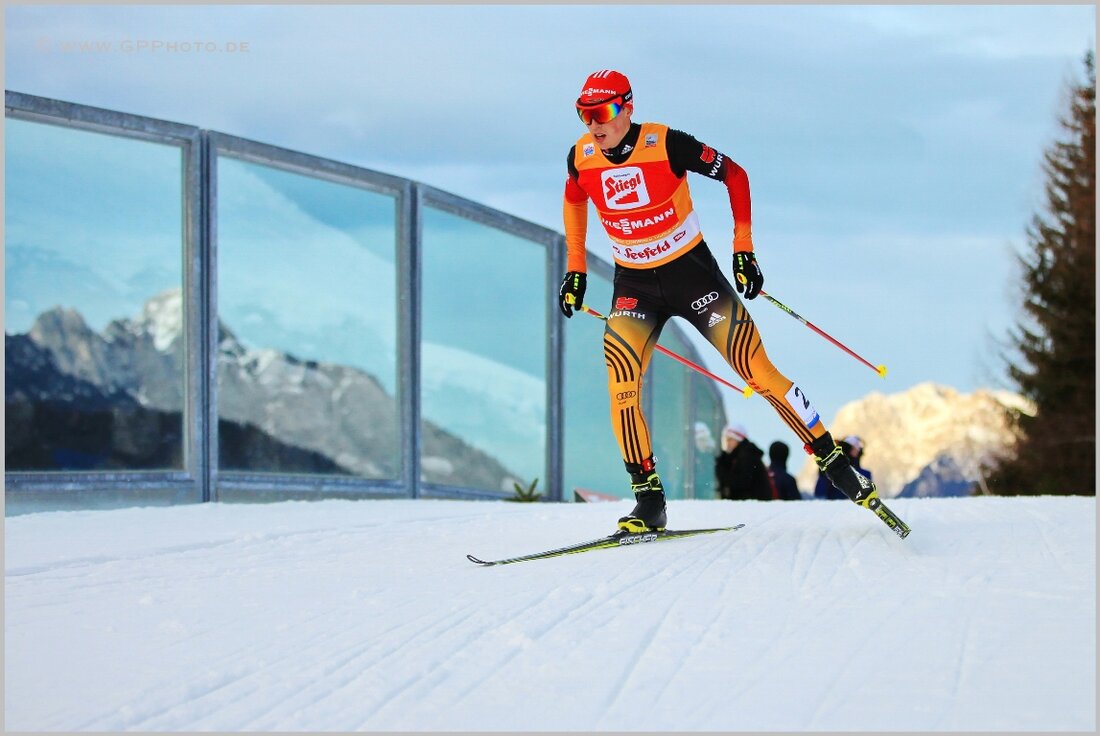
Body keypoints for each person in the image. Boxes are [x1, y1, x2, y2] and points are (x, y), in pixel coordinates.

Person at [558, 69, 882, 533]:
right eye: (584, 114)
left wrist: (743, 248)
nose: (594, 123)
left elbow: (735, 174)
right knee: (621, 382)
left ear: (628, 108)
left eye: (604, 111)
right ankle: (649, 500)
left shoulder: (667, 143)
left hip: (691, 277)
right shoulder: (581, 156)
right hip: (634, 287)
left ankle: (836, 463)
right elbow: (574, 198)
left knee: (757, 372)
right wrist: (576, 267)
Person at [714, 424, 773, 501]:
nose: (727, 443)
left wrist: (723, 473)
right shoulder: (734, 457)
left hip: (752, 504)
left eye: (730, 439)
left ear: (738, 439)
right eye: (725, 439)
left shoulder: (747, 455)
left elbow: (742, 482)